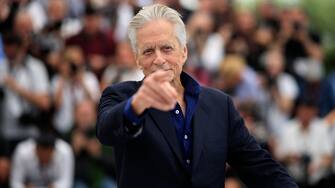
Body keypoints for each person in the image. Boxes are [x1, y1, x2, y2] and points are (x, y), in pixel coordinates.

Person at [96, 4, 298, 188]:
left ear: (183, 52)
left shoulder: (220, 104)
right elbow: (106, 131)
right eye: (148, 51)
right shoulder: (120, 96)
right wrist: (138, 103)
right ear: (138, 59)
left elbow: (258, 166)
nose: (159, 59)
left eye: (167, 48)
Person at [10, 132, 74, 188]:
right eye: (41, 155)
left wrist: (56, 186)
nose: (44, 157)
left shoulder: (65, 151)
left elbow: (66, 182)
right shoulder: (22, 151)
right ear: (35, 150)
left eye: (47, 155)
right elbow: (15, 182)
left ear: (54, 151)